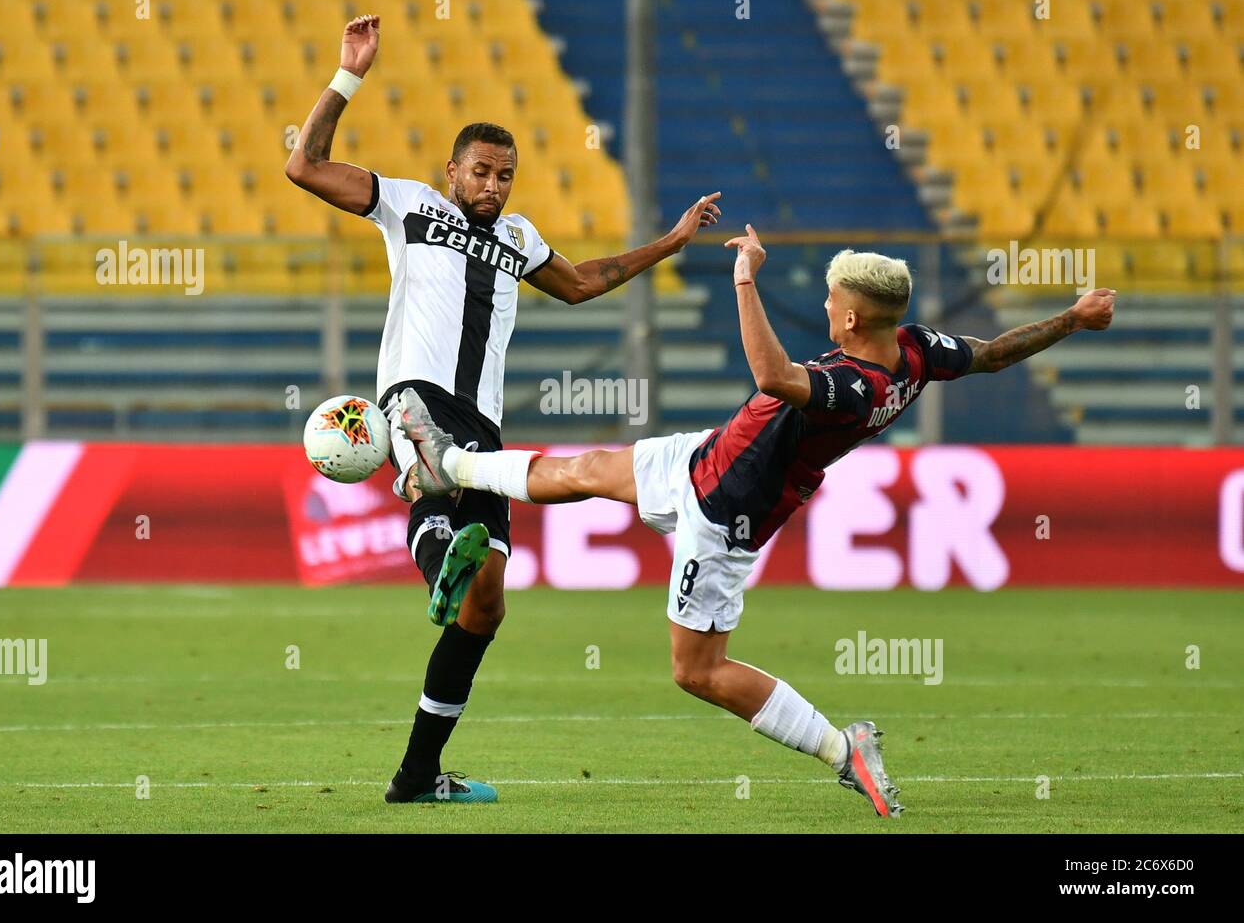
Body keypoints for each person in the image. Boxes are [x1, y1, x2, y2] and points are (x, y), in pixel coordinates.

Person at [397, 224, 1118, 816]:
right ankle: (449, 464)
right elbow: (992, 354)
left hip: (723, 512)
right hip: (709, 454)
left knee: (697, 670)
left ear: (851, 319)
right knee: (583, 471)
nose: (829, 310)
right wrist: (1073, 321)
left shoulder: (853, 387)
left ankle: (844, 749)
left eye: (834, 303)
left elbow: (774, 377)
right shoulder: (916, 350)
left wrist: (745, 277)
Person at [285, 14, 723, 803]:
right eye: (481, 171)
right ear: (451, 170)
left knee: (487, 607)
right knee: (438, 487)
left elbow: (586, 280)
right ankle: (434, 562)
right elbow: (303, 166)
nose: (492, 186)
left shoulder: (517, 239)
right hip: (413, 396)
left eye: (504, 176)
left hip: (482, 424)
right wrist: (349, 74)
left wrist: (673, 240)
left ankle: (418, 774)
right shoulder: (409, 206)